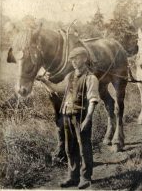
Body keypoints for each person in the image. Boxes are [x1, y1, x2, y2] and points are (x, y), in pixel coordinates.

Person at [38, 47, 99, 189]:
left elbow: (93, 100)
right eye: (71, 59)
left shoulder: (91, 78)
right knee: (69, 147)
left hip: (81, 116)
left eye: (76, 58)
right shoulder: (70, 76)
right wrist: (44, 81)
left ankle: (85, 177)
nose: (73, 61)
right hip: (67, 115)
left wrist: (88, 119)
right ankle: (73, 177)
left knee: (84, 147)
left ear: (84, 59)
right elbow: (58, 88)